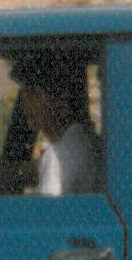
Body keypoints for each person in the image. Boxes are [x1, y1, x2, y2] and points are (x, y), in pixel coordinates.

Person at [11, 54, 100, 197]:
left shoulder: (56, 158)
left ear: (61, 100)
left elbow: (48, 216)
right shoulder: (87, 144)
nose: (25, 103)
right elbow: (26, 171)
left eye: (34, 94)